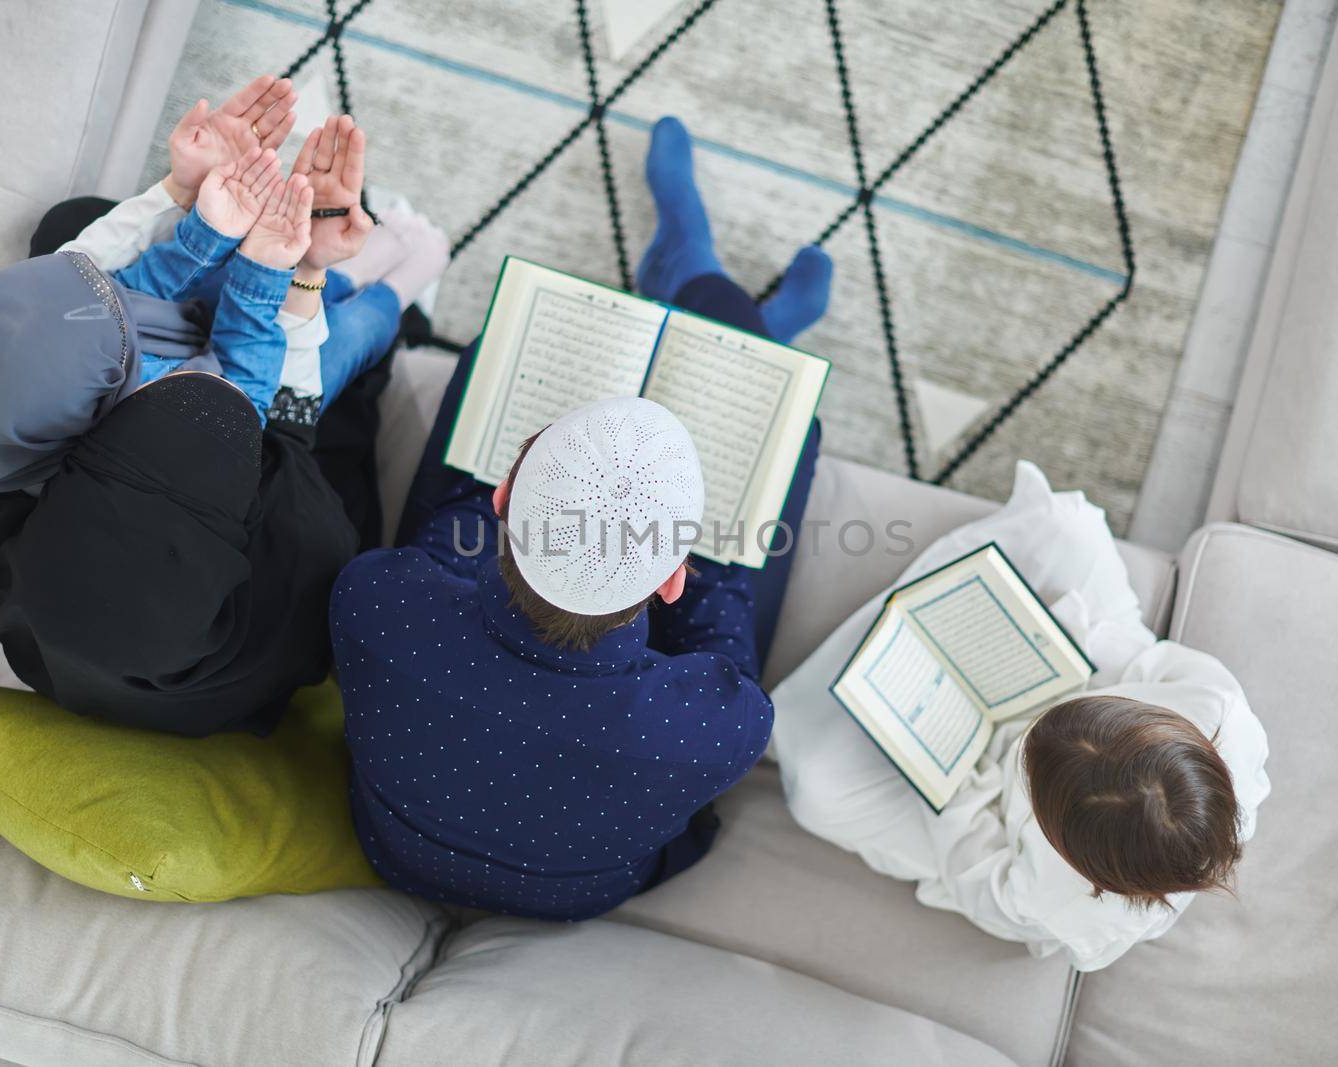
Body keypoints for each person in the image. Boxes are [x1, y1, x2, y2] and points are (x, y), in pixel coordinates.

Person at [330, 116, 835, 920]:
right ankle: (713, 293)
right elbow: (723, 644)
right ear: (676, 576)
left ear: (503, 498)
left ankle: (700, 275)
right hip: (579, 887)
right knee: (791, 438)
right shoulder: (721, 727)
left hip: (398, 849)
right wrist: (704, 573)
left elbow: (437, 544)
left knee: (487, 369)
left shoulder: (375, 604)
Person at [0, 76, 446, 735]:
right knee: (345, 351)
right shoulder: (306, 555)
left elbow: (80, 296)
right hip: (276, 466)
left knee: (70, 230)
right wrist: (301, 271)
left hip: (163, 496)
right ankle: (401, 294)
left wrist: (186, 200)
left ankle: (292, 259)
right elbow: (284, 420)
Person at [770, 461, 1272, 972]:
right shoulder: (1217, 707)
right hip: (1078, 672)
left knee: (818, 786)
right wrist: (1047, 647)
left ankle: (902, 660)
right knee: (1067, 525)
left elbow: (980, 875)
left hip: (974, 797)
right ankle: (945, 631)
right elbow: (1138, 653)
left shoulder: (1069, 908)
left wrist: (953, 773)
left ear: (1061, 840)